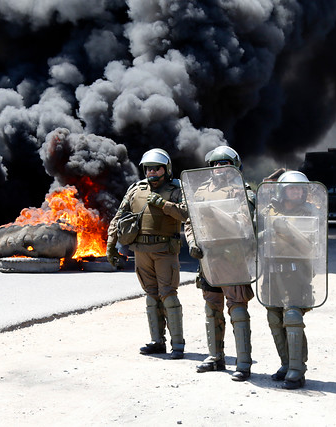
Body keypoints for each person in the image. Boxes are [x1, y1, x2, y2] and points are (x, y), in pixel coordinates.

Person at [106, 148, 188, 359]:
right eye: (148, 169)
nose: (152, 173)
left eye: (156, 169)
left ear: (166, 169)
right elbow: (119, 217)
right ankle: (157, 342)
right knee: (151, 297)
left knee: (168, 296)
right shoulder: (135, 190)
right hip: (141, 252)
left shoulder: (177, 188)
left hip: (164, 251)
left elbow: (187, 214)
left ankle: (177, 345)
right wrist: (111, 245)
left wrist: (165, 205)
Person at [184, 146, 256, 381]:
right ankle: (216, 356)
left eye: (224, 163)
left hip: (232, 255)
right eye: (214, 164)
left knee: (237, 309)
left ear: (235, 166)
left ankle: (243, 363)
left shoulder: (242, 192)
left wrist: (218, 215)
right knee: (211, 309)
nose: (218, 168)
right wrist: (193, 242)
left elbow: (246, 222)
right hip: (208, 257)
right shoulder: (201, 191)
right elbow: (190, 221)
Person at [262, 170, 316, 390]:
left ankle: (297, 369)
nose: (297, 192)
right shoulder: (269, 210)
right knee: (274, 318)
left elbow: (312, 246)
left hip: (296, 273)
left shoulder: (310, 213)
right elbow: (257, 233)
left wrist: (288, 230)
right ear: (282, 191)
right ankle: (285, 364)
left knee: (292, 318)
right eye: (292, 188)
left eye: (300, 188)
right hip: (271, 272)